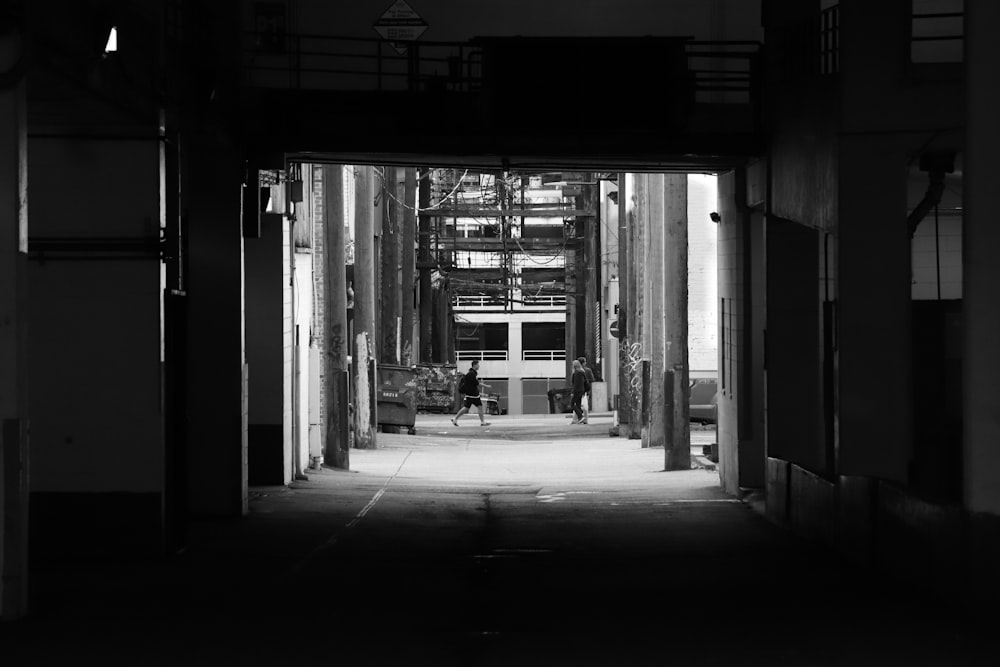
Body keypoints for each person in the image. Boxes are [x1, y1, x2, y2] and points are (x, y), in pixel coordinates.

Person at [452, 360, 492, 427]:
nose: (479, 366)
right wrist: (486, 386)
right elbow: (476, 383)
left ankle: (455, 419)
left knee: (466, 408)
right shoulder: (471, 374)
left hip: (470, 394)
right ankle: (482, 422)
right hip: (473, 395)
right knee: (479, 407)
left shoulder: (471, 373)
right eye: (478, 365)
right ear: (474, 365)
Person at [570, 359, 588, 425]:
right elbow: (585, 382)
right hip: (582, 390)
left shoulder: (576, 373)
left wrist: (572, 392)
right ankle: (580, 419)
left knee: (572, 404)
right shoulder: (582, 372)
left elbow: (575, 384)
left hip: (577, 390)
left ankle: (581, 416)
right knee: (578, 404)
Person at [578, 356, 595, 422]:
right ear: (583, 363)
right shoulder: (588, 370)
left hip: (578, 390)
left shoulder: (576, 370)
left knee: (577, 404)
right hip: (586, 389)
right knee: (585, 405)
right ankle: (585, 418)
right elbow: (592, 379)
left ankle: (578, 418)